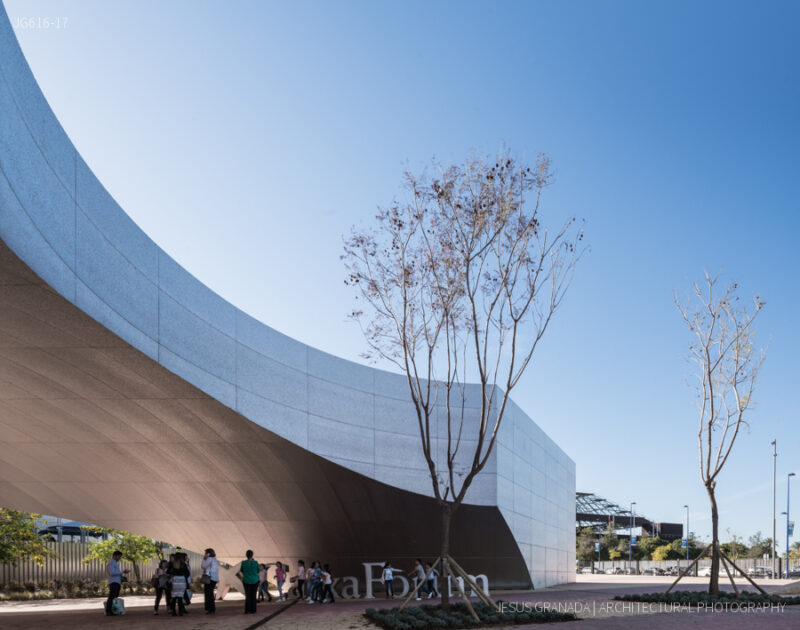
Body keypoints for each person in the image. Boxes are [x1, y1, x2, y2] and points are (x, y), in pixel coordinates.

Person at [105, 550, 129, 615]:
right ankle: (108, 611)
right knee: (112, 596)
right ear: (115, 556)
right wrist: (122, 572)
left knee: (114, 596)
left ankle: (112, 610)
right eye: (119, 557)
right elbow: (112, 573)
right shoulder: (111, 563)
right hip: (113, 582)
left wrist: (122, 576)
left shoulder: (115, 563)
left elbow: (116, 573)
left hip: (116, 582)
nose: (119, 558)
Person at [200, 548, 219, 615]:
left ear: (208, 553)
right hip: (214, 578)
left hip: (209, 578)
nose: (204, 554)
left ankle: (209, 609)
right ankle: (212, 608)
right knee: (210, 593)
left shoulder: (209, 559)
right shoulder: (215, 559)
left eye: (205, 553)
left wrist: (204, 559)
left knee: (208, 594)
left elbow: (203, 566)